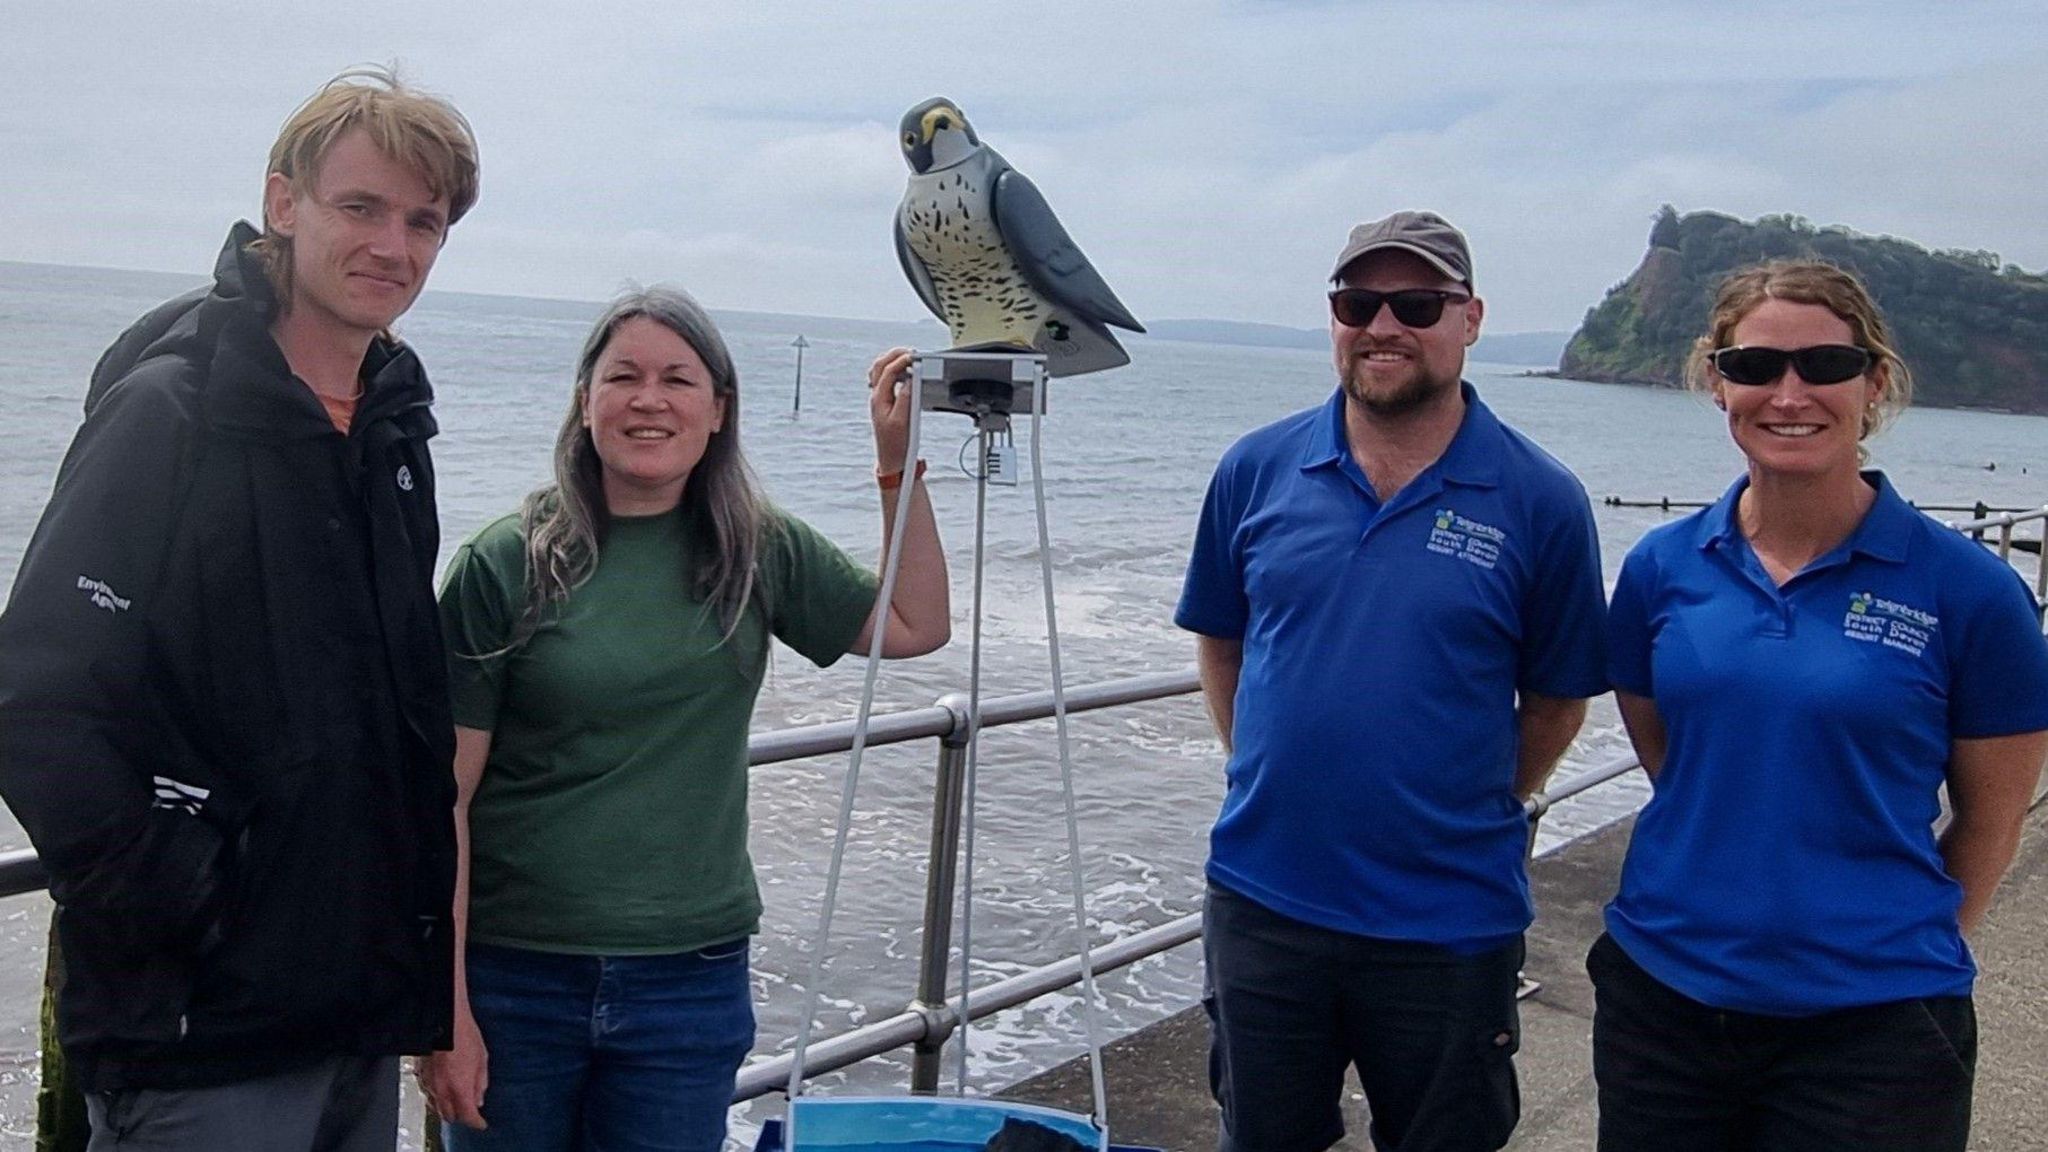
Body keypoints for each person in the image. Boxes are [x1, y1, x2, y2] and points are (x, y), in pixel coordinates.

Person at [0, 67, 480, 1151]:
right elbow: (36, 699)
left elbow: (400, 722)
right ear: (282, 203)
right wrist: (180, 892)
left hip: (353, 1014)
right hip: (198, 1031)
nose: (391, 247)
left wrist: (425, 986)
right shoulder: (170, 412)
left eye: (423, 222)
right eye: (360, 207)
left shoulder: (396, 435)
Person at [422, 291, 951, 1151]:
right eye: (622, 376)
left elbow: (914, 624)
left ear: (718, 410)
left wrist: (898, 465)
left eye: (678, 378)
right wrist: (443, 1014)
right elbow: (440, 798)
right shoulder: (507, 560)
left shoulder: (754, 548)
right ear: (585, 400)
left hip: (687, 979)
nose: (649, 399)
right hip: (513, 976)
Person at [1176, 211, 1608, 1152]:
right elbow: (1223, 642)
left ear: (1471, 318)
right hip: (1264, 903)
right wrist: (1261, 766)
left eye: (1416, 303)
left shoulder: (1542, 500)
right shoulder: (1256, 469)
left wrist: (1465, 800)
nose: (1383, 325)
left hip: (1448, 921)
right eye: (1357, 301)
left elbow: (1557, 699)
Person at [1592, 261, 2048, 1152]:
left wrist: (1894, 944)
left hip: (1873, 1033)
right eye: (1756, 366)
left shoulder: (1973, 593)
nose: (1789, 393)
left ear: (1873, 382)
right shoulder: (1660, 568)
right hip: (1665, 1004)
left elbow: (1993, 821)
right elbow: (1675, 760)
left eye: (1825, 365)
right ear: (1718, 382)